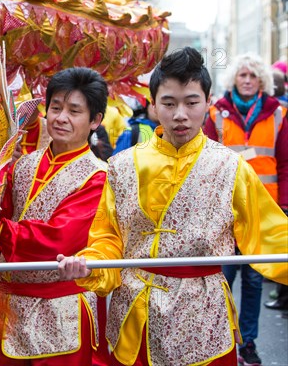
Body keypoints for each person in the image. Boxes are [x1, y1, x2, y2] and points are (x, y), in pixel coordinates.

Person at [58, 47, 288, 366]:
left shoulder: (231, 167)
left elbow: (271, 238)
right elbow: (107, 238)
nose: (180, 114)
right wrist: (90, 263)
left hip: (205, 316)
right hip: (137, 314)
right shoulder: (123, 166)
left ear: (208, 103)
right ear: (153, 105)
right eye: (169, 103)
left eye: (191, 102)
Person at [0, 67, 110, 365]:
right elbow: (0, 213)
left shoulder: (98, 177)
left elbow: (57, 239)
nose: (61, 118)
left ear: (95, 121)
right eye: (56, 107)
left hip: (61, 308)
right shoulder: (22, 165)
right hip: (8, 306)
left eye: (74, 111)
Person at [202, 53, 288, 365]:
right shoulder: (216, 113)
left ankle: (248, 342)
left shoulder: (278, 112)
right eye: (243, 75)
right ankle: (224, 340)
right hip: (226, 210)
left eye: (253, 75)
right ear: (235, 79)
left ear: (262, 79)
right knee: (222, 279)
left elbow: (285, 162)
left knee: (253, 282)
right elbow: (206, 162)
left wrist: (285, 205)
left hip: (263, 211)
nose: (248, 80)